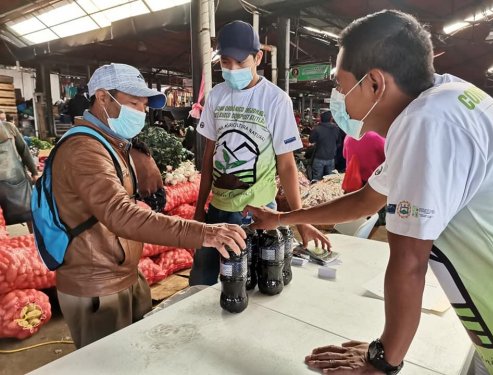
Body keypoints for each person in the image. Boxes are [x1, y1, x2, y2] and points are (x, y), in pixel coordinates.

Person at [246, 10, 493, 375]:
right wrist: (284, 218)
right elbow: (368, 198)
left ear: (375, 84)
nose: (337, 96)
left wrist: (382, 360)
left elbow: (409, 263)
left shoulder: (427, 123)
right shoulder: (444, 99)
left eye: (340, 84)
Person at [51, 63, 246, 349]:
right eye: (133, 103)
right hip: (97, 286)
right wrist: (204, 232)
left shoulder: (112, 144)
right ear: (103, 98)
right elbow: (120, 215)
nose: (142, 112)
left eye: (144, 105)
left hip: (123, 274)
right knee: (109, 365)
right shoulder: (84, 150)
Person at [190, 20, 329, 286]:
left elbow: (286, 165)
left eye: (241, 63)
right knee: (203, 284)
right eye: (226, 62)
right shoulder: (217, 96)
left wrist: (300, 220)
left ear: (258, 58)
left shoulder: (275, 100)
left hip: (256, 215)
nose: (232, 69)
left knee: (249, 286)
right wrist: (199, 210)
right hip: (217, 212)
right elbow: (208, 157)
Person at [0, 110, 38, 228]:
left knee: (6, 225)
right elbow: (24, 150)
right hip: (16, 179)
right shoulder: (9, 127)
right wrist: (34, 172)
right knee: (28, 214)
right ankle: (33, 241)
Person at [308, 111, 341, 180]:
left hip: (319, 158)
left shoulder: (317, 129)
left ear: (321, 119)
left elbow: (311, 140)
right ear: (330, 119)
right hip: (331, 158)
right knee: (330, 180)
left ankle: (315, 190)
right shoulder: (336, 129)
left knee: (316, 180)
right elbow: (339, 143)